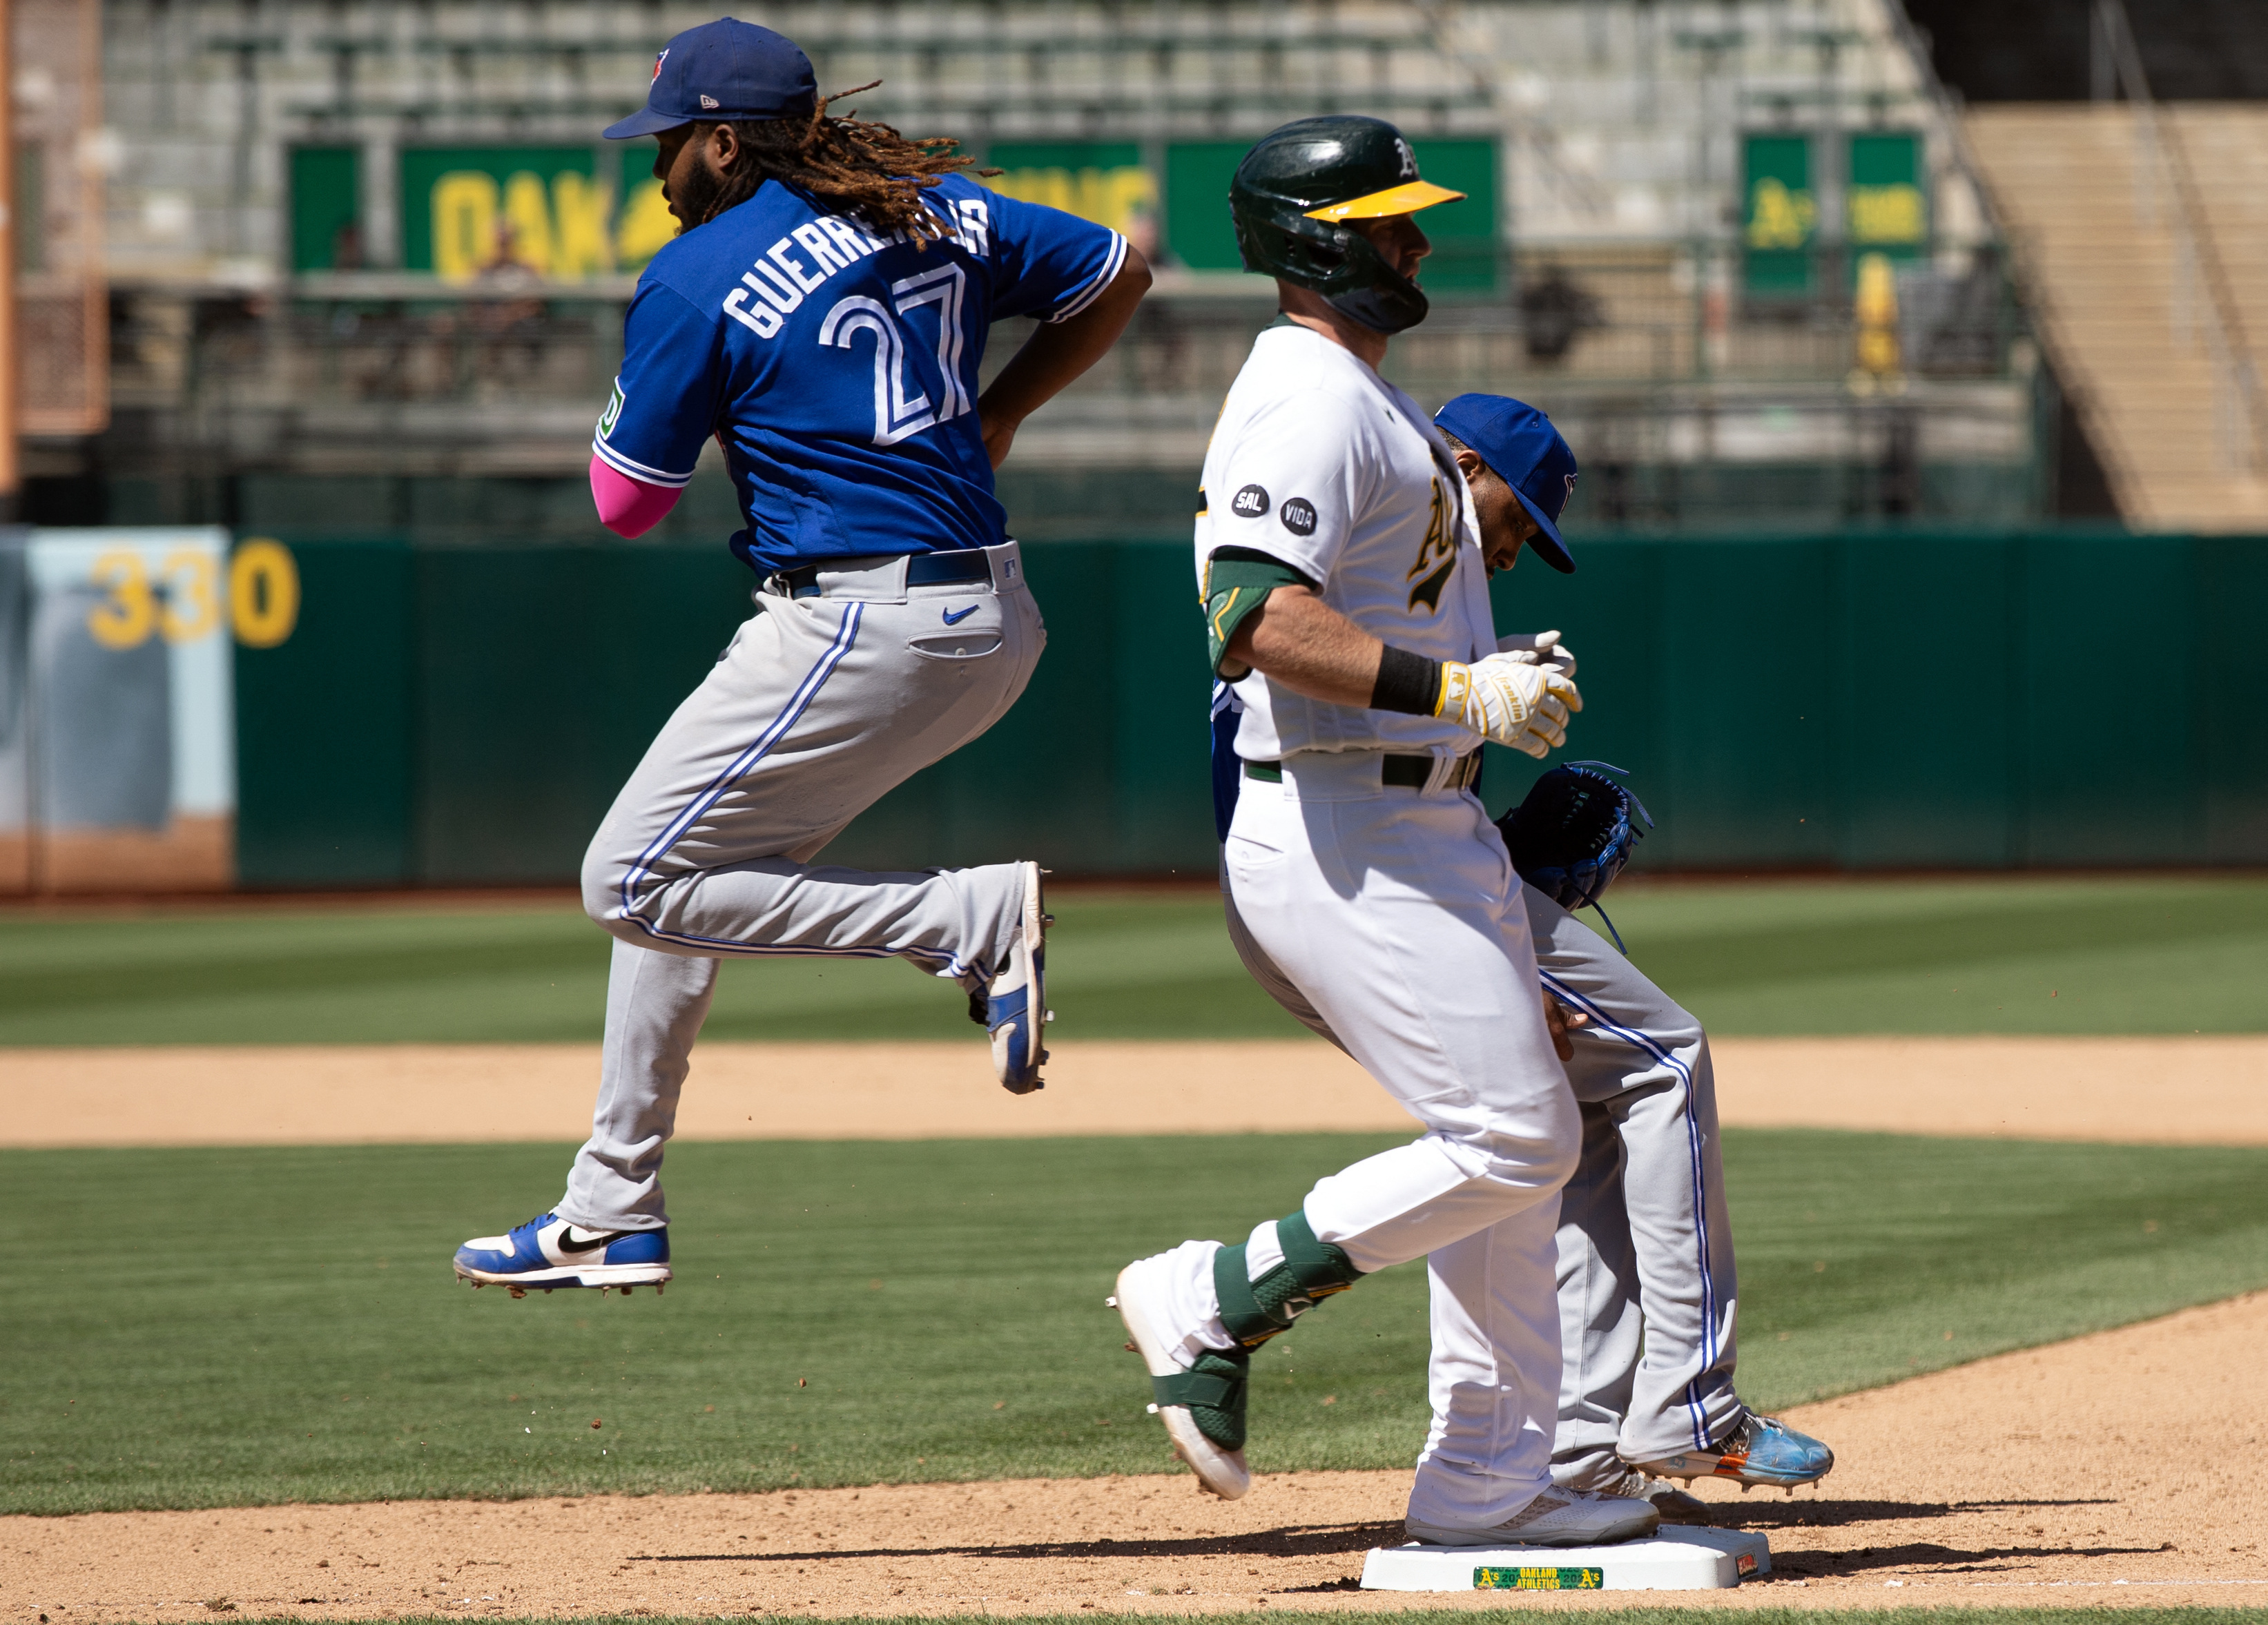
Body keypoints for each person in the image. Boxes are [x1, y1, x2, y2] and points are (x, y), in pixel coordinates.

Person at [453, 18, 1150, 1296]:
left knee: (631, 878)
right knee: (688, 875)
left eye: (668, 144)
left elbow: (625, 502)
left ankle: (968, 920)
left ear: (722, 142)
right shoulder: (927, 206)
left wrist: (655, 379)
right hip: (979, 615)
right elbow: (1118, 271)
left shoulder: (699, 271)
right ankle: (615, 1206)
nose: (656, 171)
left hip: (861, 620)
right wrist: (1002, 410)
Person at [1109, 113, 1655, 1552]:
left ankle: (1488, 1474)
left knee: (1508, 1135)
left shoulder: (1368, 393)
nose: (1416, 241)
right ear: (1313, 241)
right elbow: (1248, 617)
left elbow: (1376, 601)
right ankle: (1214, 1290)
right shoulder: (1301, 393)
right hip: (1342, 824)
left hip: (1418, 821)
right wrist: (1460, 687)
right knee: (1515, 1133)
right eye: (1387, 221)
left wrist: (1481, 688)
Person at [1212, 392, 1837, 1516]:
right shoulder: (1363, 511)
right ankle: (1689, 1404)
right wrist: (1467, 705)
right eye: (1514, 520)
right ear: (1461, 464)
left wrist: (1478, 681)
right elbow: (1285, 736)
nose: (1511, 548)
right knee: (1661, 1054)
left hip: (1391, 869)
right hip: (1366, 875)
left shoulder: (1422, 572)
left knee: (1573, 1112)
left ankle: (1570, 1449)